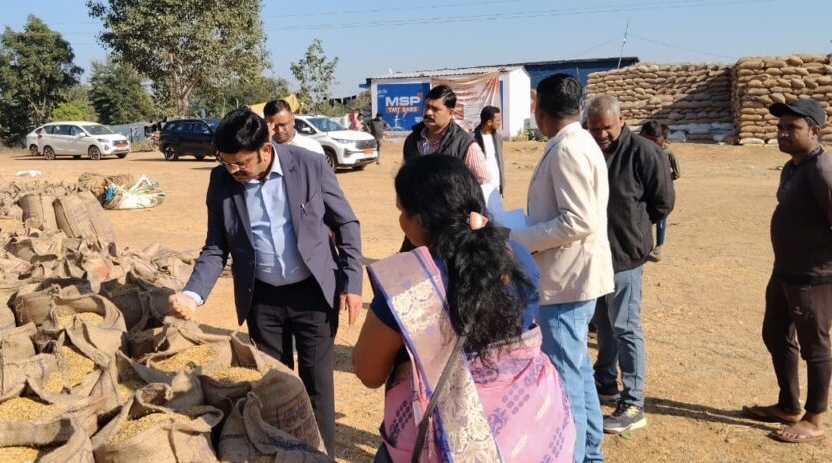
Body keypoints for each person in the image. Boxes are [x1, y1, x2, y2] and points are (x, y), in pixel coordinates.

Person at [352, 154, 575, 462]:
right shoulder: (516, 255)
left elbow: (368, 372)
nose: (401, 221)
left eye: (403, 211)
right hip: (525, 430)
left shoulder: (409, 283)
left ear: (422, 220)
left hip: (440, 443)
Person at [167, 108, 364, 454]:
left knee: (317, 385)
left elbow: (345, 223)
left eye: (241, 164)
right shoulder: (221, 181)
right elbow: (216, 247)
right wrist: (192, 294)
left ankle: (322, 457)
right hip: (262, 299)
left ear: (265, 149)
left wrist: (352, 283)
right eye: (226, 162)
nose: (234, 171)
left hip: (314, 294)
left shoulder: (309, 165)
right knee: (273, 387)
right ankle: (283, 455)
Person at [509, 73, 614, 463]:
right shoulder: (576, 142)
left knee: (566, 381)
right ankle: (590, 453)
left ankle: (576, 455)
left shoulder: (568, 148)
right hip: (572, 277)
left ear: (539, 110)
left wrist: (519, 237)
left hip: (567, 281)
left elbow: (577, 220)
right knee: (579, 372)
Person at [742, 98, 832, 444]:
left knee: (814, 347)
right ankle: (788, 405)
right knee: (775, 335)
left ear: (814, 131)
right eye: (780, 127)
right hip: (786, 270)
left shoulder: (824, 172)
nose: (783, 133)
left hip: (814, 275)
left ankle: (814, 418)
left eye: (792, 127)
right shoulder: (793, 166)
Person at [585, 95, 674, 435]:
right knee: (604, 324)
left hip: (625, 254)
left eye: (606, 128)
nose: (601, 135)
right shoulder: (588, 149)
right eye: (594, 129)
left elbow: (663, 202)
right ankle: (605, 381)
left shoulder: (644, 152)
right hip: (595, 255)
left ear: (621, 120)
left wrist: (634, 226)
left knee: (625, 326)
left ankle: (633, 402)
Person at [400, 85, 490, 252]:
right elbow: (404, 178)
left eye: (435, 109)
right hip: (417, 228)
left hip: (450, 232)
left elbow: (485, 183)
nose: (428, 113)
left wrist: (473, 216)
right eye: (427, 107)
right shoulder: (412, 141)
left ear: (450, 112)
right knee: (411, 266)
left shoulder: (464, 144)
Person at [639, 121, 681, 262]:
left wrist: (665, 181)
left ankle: (659, 246)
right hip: (646, 188)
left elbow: (677, 173)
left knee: (660, 215)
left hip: (661, 189)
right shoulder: (641, 150)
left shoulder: (667, 153)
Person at [473, 105, 506, 199]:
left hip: (496, 186)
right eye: (498, 121)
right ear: (489, 122)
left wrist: (502, 185)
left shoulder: (498, 138)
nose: (500, 123)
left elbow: (500, 161)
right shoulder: (471, 138)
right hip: (481, 188)